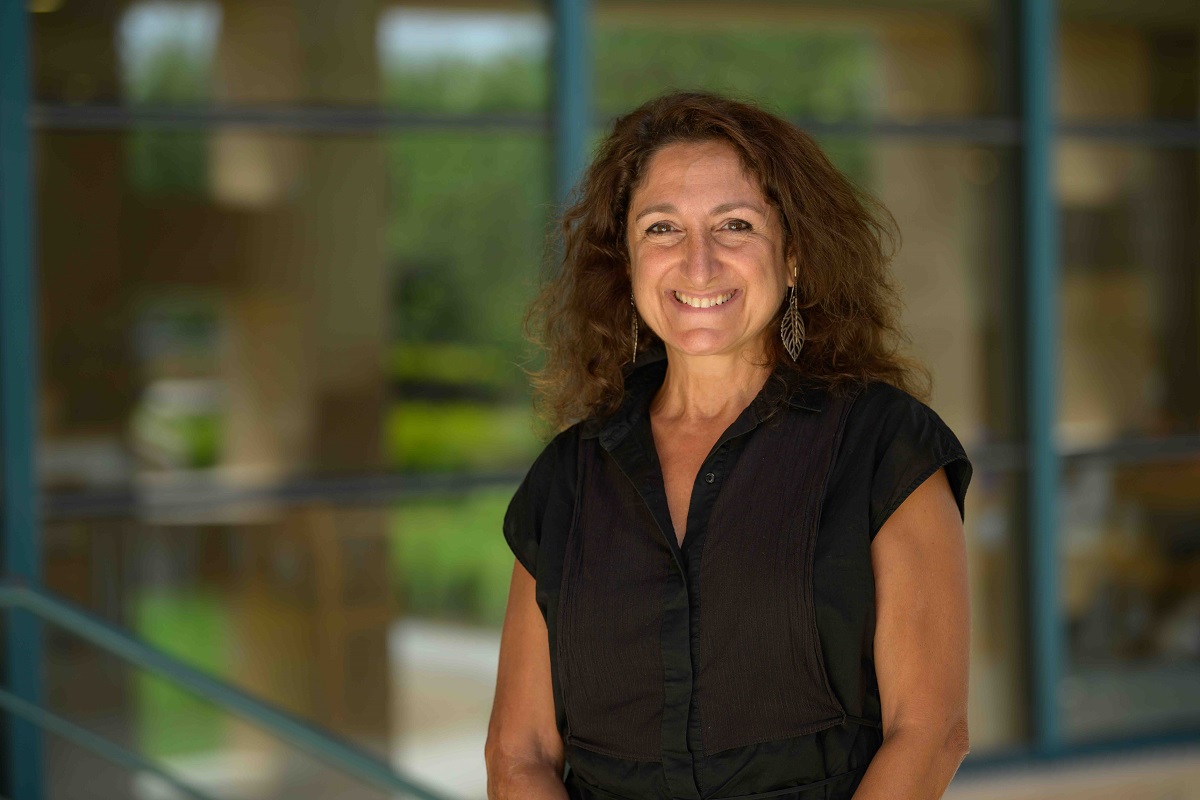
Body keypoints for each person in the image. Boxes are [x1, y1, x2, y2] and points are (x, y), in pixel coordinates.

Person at [485, 91, 973, 800]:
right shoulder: (567, 479)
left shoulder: (883, 448)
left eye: (735, 225)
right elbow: (517, 752)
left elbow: (930, 732)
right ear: (626, 260)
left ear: (796, 254)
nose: (699, 262)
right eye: (662, 229)